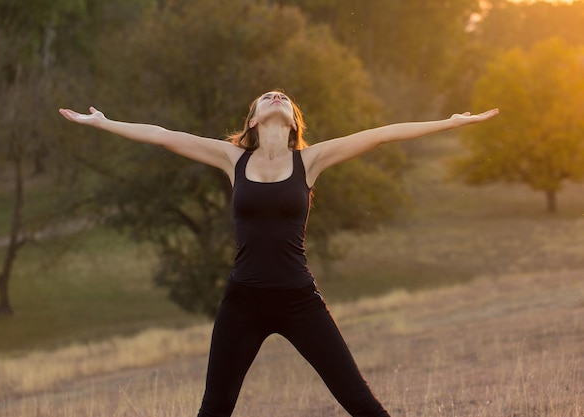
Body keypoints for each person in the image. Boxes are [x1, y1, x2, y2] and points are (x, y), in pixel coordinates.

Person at [59, 91, 498, 417]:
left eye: (283, 99)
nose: (275, 97)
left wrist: (450, 123)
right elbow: (163, 136)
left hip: (299, 301)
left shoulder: (311, 160)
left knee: (359, 400)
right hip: (242, 302)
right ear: (252, 121)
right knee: (213, 409)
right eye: (266, 98)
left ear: (292, 122)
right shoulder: (232, 159)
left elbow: (381, 135)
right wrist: (104, 123)